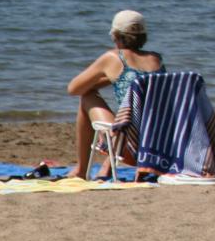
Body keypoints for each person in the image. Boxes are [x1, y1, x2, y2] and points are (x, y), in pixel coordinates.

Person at [64, 10, 165, 178]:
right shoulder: (156, 59)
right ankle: (106, 167)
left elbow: (73, 89)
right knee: (135, 115)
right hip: (159, 148)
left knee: (87, 97)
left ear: (116, 35)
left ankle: (81, 170)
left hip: (131, 151)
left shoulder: (113, 57)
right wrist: (114, 78)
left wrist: (108, 78)